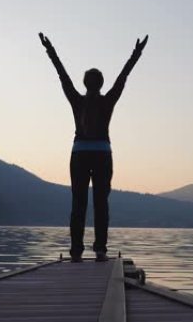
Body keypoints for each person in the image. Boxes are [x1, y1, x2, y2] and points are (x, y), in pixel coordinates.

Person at [39, 32, 149, 262]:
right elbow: (123, 77)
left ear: (85, 83)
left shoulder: (77, 100)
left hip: (79, 154)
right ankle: (100, 249)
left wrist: (50, 51)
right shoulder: (107, 100)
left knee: (78, 202)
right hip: (102, 154)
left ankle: (76, 250)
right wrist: (136, 53)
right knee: (101, 203)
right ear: (101, 84)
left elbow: (62, 75)